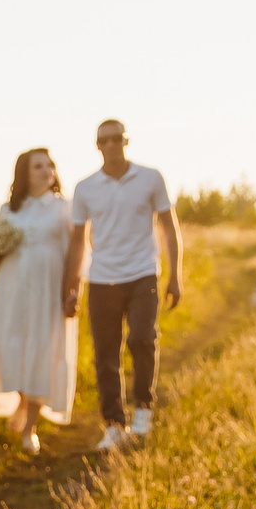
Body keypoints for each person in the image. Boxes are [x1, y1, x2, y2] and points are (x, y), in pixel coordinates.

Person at [67, 119, 183, 450]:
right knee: (105, 354)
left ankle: (143, 409)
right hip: (101, 279)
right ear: (97, 146)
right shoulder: (85, 188)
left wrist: (175, 275)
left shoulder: (150, 177)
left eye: (117, 138)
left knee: (142, 338)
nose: (111, 144)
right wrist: (72, 286)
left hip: (142, 273)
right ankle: (115, 425)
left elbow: (169, 228)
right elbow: (77, 241)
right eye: (104, 140)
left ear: (126, 141)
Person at [0, 146, 78, 452]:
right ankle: (21, 399)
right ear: (24, 174)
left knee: (43, 348)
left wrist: (73, 290)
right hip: (13, 289)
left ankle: (30, 426)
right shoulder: (9, 210)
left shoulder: (63, 208)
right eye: (38, 166)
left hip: (47, 291)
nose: (46, 171)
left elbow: (77, 252)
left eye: (49, 165)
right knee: (14, 346)